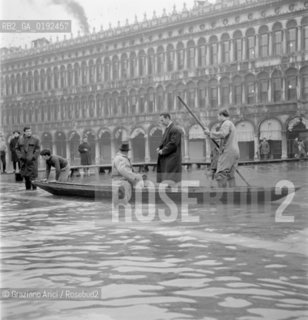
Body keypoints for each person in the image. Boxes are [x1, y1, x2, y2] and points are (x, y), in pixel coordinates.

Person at [204, 109, 240, 188]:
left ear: (221, 115)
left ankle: (222, 196)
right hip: (235, 152)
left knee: (220, 175)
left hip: (228, 152)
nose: (217, 117)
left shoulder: (226, 123)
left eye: (218, 116)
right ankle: (233, 194)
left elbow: (223, 134)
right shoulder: (231, 124)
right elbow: (224, 137)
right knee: (230, 175)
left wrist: (210, 133)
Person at [156, 113, 182, 184]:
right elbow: (165, 141)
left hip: (172, 160)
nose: (161, 122)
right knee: (166, 180)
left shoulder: (175, 129)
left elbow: (173, 143)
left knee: (170, 180)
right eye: (160, 121)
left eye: (162, 120)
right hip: (167, 159)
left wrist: (163, 151)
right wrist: (160, 147)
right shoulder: (168, 129)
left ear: (167, 118)